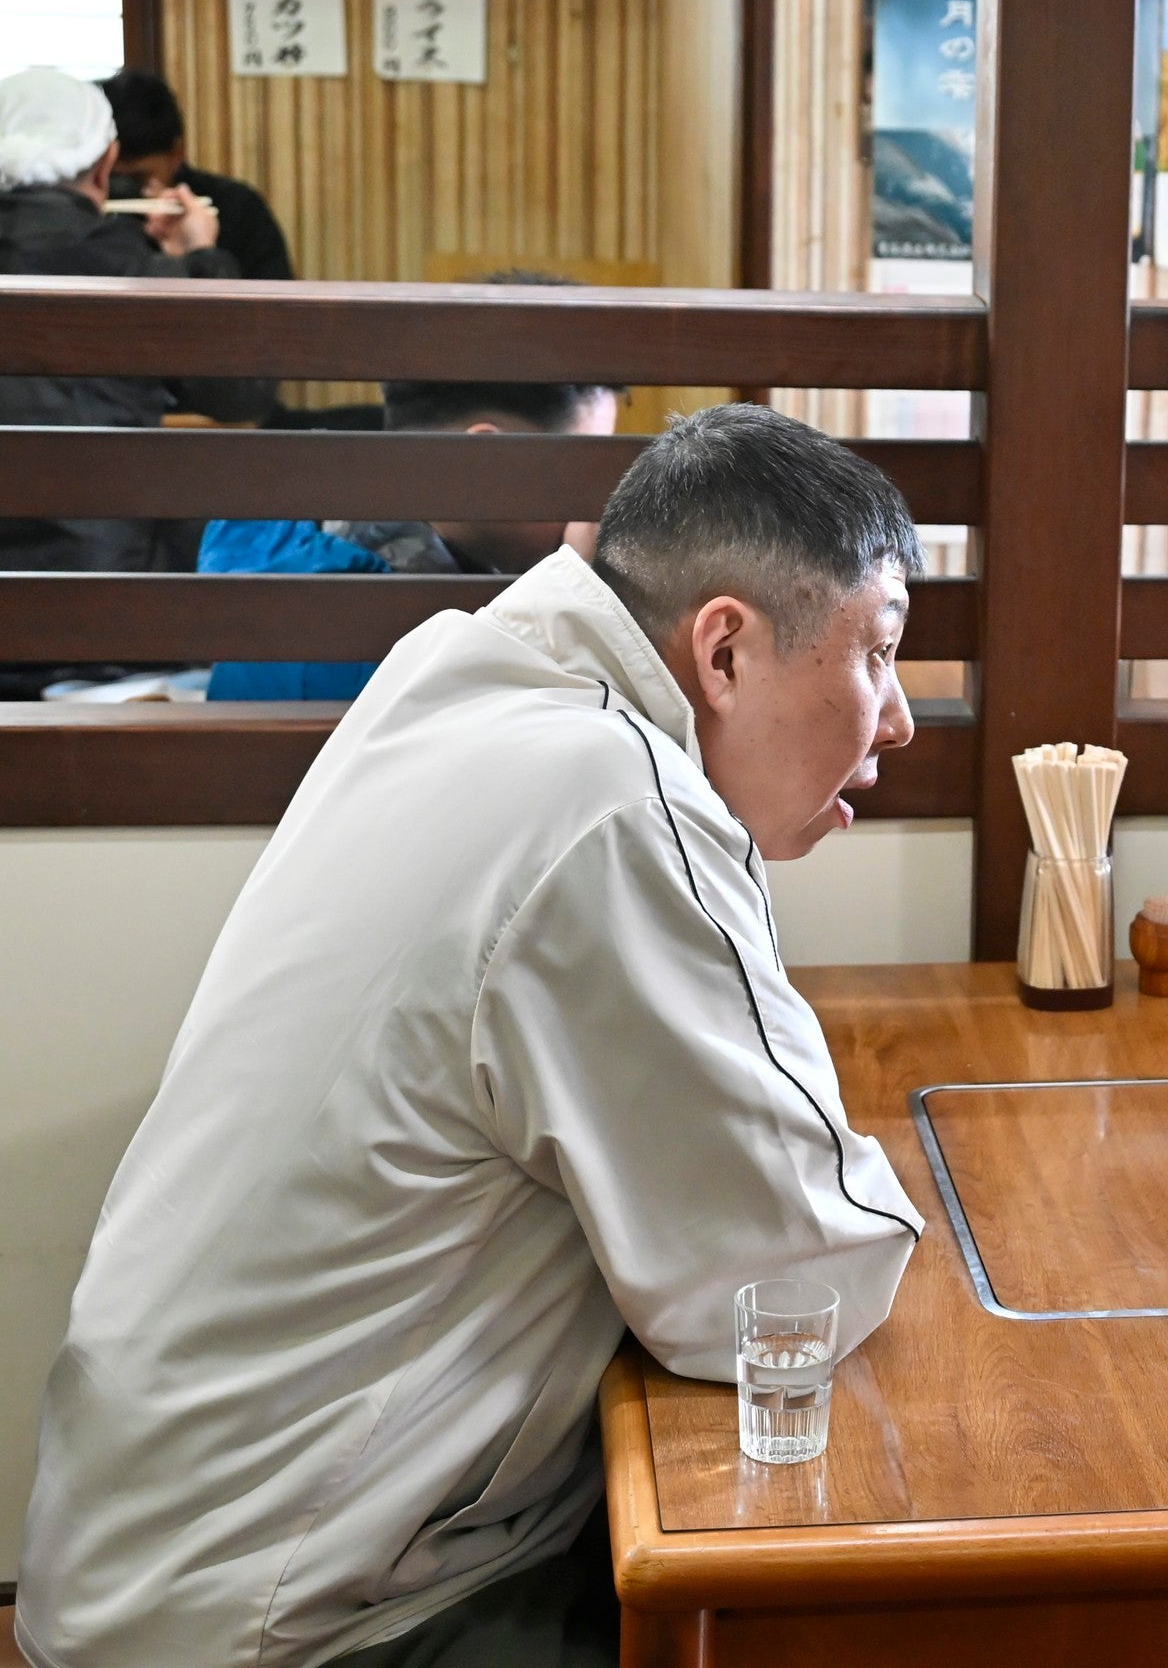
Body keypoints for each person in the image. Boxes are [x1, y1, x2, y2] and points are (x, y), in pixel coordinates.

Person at [16, 404, 927, 1668]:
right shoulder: (609, 804)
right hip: (290, 1616)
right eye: (878, 652)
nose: (898, 719)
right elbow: (787, 1281)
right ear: (723, 650)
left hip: (140, 1560)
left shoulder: (464, 671)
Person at [199, 272, 625, 701]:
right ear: (485, 462)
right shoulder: (362, 641)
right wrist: (578, 603)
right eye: (587, 472)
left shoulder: (314, 544)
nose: (599, 508)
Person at [0, 67, 276, 572]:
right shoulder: (134, 271)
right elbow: (242, 396)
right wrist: (200, 259)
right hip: (103, 583)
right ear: (106, 163)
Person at [99, 68, 295, 281]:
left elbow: (273, 297)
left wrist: (202, 253)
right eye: (111, 176)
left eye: (138, 178)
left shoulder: (236, 208)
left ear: (177, 153)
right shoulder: (89, 222)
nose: (122, 188)